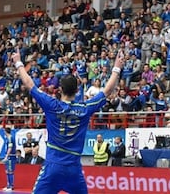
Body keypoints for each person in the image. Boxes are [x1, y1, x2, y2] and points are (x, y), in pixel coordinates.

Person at [11, 44, 124, 193]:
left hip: (52, 168)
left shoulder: (52, 105)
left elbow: (29, 84)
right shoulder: (84, 109)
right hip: (73, 170)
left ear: (60, 90)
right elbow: (107, 91)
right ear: (77, 90)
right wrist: (117, 68)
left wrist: (19, 63)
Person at [2, 127, 16, 191]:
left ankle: (11, 186)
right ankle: (8, 185)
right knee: (7, 171)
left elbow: (10, 148)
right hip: (8, 156)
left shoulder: (10, 138)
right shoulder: (7, 138)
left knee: (10, 171)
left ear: (5, 131)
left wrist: (6, 156)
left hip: (11, 156)